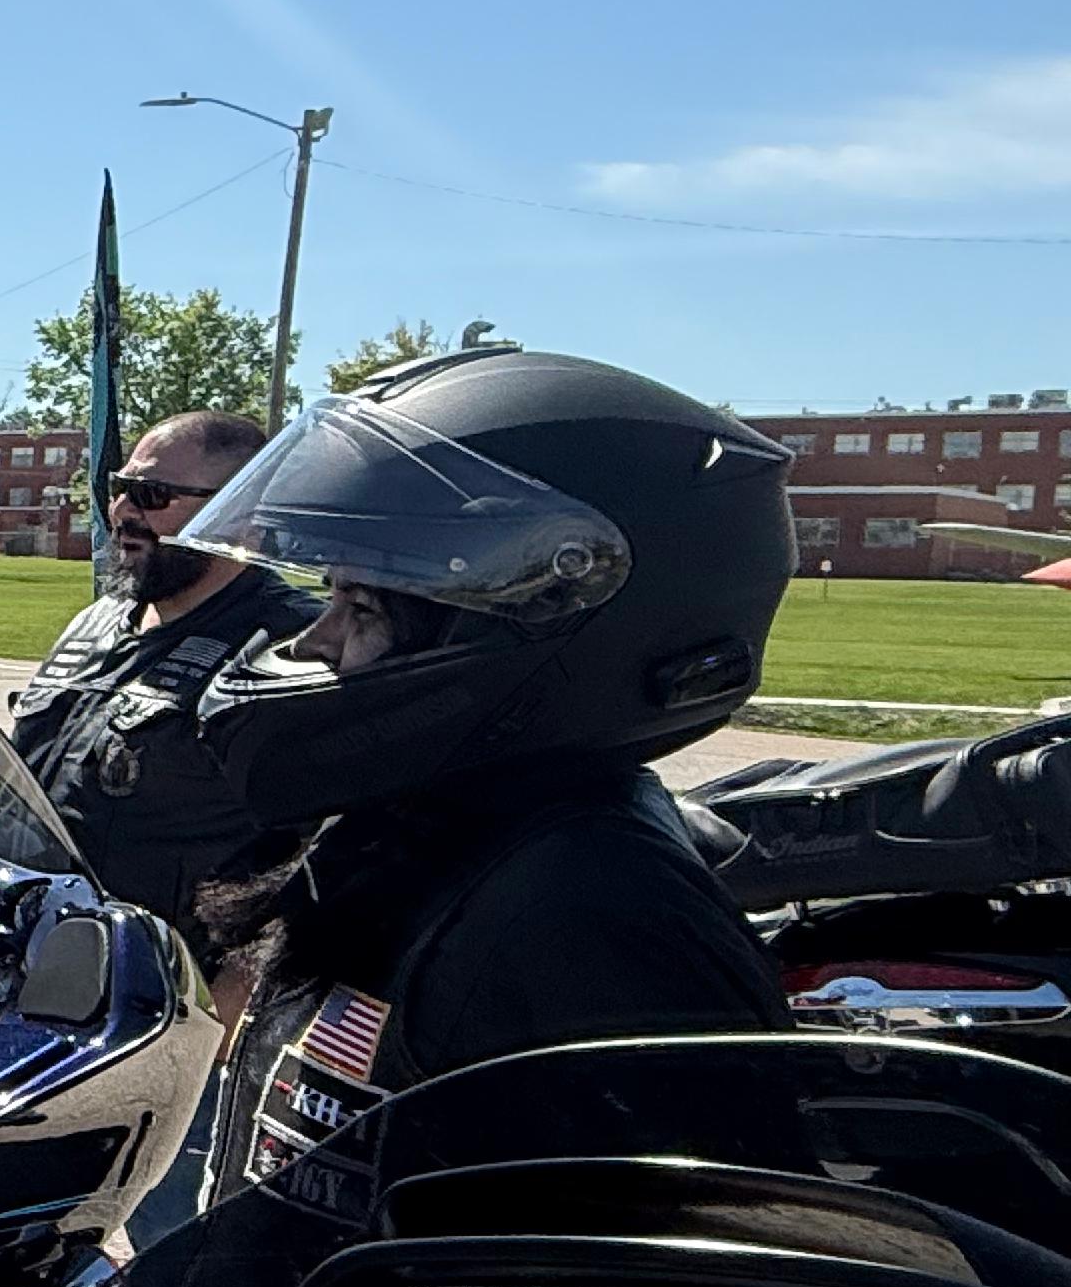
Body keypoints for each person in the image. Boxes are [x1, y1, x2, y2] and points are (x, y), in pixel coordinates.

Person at [166, 345, 797, 1218]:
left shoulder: (588, 924)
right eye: (330, 597)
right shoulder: (424, 831)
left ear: (543, 624)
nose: (314, 644)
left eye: (367, 610)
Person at [5, 409, 312, 966]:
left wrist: (231, 1010)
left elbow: (315, 861)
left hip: (158, 993)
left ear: (243, 511)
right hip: (23, 956)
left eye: (151, 494)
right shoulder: (98, 620)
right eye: (118, 489)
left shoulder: (293, 643)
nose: (121, 512)